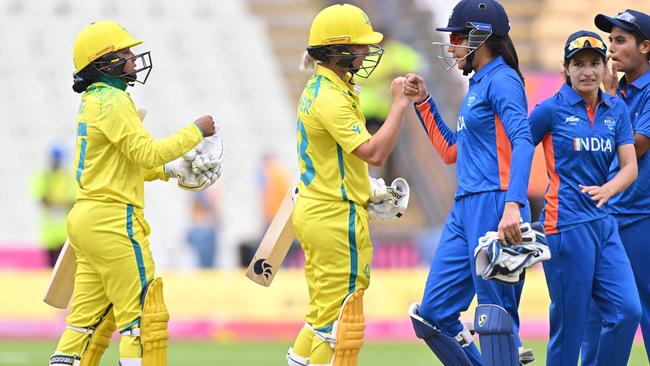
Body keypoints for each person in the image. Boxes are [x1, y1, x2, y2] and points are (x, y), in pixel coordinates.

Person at [49, 21, 221, 366]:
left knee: (84, 325)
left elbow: (129, 162)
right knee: (142, 319)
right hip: (114, 221)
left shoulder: (93, 101)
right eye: (123, 52)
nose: (132, 57)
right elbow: (147, 153)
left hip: (87, 219)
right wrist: (195, 132)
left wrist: (170, 171)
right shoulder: (113, 101)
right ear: (104, 62)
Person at [402, 0, 535, 364]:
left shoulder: (503, 79)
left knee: (494, 320)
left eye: (458, 37)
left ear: (482, 39)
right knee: (431, 315)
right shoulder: (478, 85)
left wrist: (513, 204)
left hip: (494, 204)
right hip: (465, 207)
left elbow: (523, 141)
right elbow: (450, 150)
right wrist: (424, 102)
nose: (452, 46)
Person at [287, 4, 410, 366]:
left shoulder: (326, 88)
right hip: (335, 216)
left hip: (321, 209)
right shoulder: (330, 96)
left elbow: (341, 162)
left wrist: (367, 189)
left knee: (322, 313)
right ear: (336, 50)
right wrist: (399, 104)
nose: (366, 52)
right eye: (358, 46)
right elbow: (374, 152)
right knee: (343, 316)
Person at [528, 30, 640, 365]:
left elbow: (629, 167)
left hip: (604, 226)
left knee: (627, 312)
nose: (587, 71)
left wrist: (609, 189)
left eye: (594, 63)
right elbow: (517, 150)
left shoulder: (616, 110)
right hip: (564, 226)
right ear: (566, 69)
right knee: (570, 328)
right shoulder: (549, 110)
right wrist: (510, 202)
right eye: (578, 64)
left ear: (604, 67)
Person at [581, 10, 650, 365]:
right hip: (607, 215)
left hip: (641, 217)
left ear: (646, 47)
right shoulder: (615, 91)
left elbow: (633, 147)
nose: (611, 49)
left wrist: (608, 98)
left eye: (621, 40)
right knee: (597, 314)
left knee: (645, 311)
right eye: (610, 40)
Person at [30, 144, 76, 267]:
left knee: (63, 267)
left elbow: (73, 200)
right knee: (51, 267)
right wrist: (60, 201)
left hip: (65, 231)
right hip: (49, 232)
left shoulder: (67, 177)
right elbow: (41, 199)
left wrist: (55, 201)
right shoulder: (44, 176)